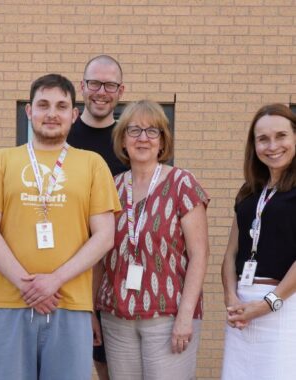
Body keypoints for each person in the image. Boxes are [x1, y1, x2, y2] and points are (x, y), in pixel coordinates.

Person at [0, 73, 121, 380]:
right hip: (10, 301)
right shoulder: (2, 160)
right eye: (43, 105)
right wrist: (28, 286)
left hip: (70, 303)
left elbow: (105, 236)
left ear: (74, 115)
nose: (52, 113)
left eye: (62, 106)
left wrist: (54, 281)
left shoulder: (92, 164)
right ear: (29, 111)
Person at [96, 100, 209, 380]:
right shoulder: (111, 187)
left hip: (169, 315)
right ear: (123, 140)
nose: (143, 138)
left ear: (163, 141)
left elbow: (200, 255)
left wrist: (185, 316)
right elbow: (98, 254)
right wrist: (90, 310)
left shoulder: (182, 183)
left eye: (152, 131)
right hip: (116, 317)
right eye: (134, 130)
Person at [221, 104, 296, 380]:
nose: (272, 145)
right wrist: (231, 298)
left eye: (281, 136)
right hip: (241, 309)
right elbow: (231, 253)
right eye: (262, 138)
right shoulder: (249, 191)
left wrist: (268, 304)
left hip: (284, 307)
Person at [67, 54, 126, 380]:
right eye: (94, 83)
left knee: (110, 365)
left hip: (118, 271)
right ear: (82, 87)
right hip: (68, 268)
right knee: (69, 363)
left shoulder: (130, 141)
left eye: (109, 85)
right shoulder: (64, 136)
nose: (101, 92)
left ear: (121, 90)